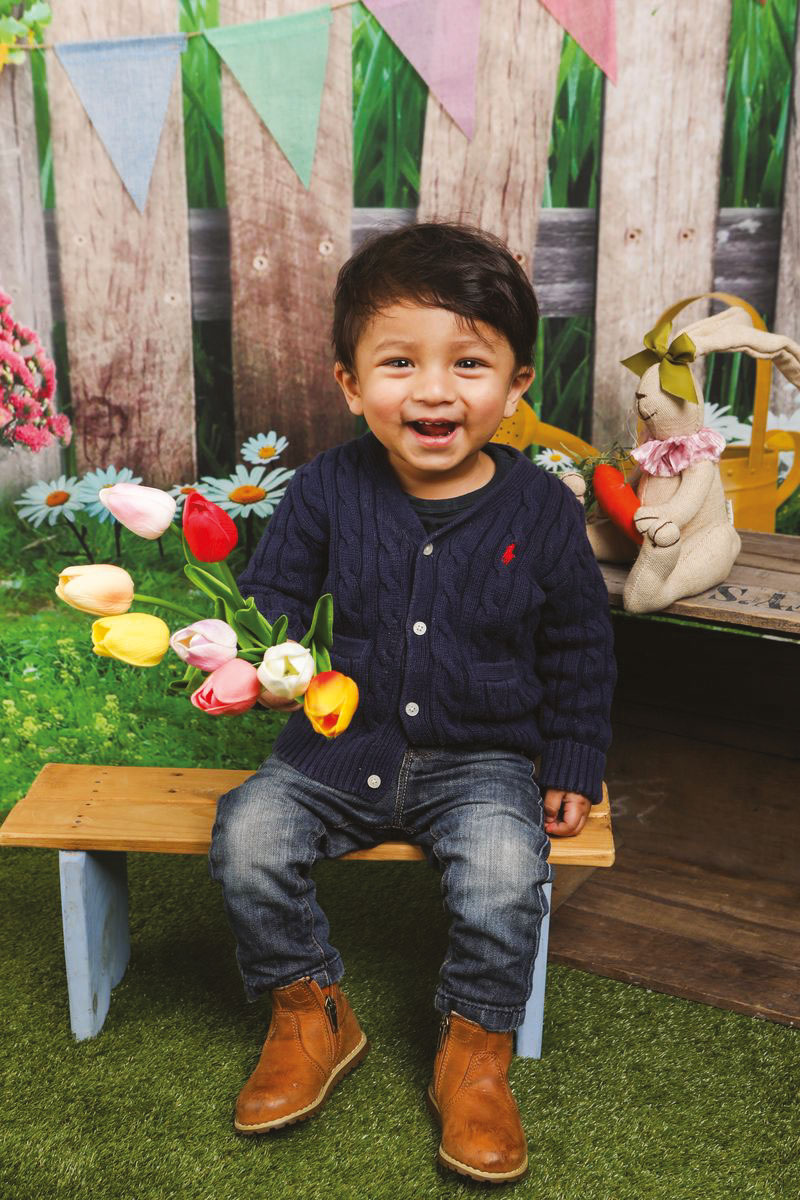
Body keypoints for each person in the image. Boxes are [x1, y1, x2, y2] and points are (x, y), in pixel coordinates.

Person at [208, 221, 616, 1185]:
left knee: (508, 876)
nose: (434, 389)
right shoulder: (324, 490)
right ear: (350, 382)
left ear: (517, 385)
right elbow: (270, 601)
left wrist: (572, 760)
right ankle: (311, 1008)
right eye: (399, 362)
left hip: (483, 760)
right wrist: (243, 653)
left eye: (469, 363)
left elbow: (580, 646)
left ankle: (474, 1051)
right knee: (247, 837)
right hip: (334, 750)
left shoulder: (542, 513)